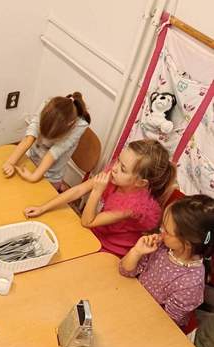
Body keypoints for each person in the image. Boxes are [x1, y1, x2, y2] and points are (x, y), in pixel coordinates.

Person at [24, 140, 175, 257]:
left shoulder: (133, 207)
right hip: (95, 232)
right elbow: (79, 190)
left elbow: (87, 222)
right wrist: (43, 208)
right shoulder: (116, 176)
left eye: (123, 169)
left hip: (110, 250)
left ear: (140, 183)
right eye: (118, 161)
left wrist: (97, 191)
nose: (114, 168)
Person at [119, 194, 214, 327]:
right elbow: (125, 271)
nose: (160, 231)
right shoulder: (162, 246)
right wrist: (136, 251)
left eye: (167, 231)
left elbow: (167, 325)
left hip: (148, 322)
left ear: (187, 243)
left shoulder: (191, 283)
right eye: (162, 226)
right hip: (133, 301)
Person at [3, 93, 91, 190]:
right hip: (30, 160)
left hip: (50, 176)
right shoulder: (47, 105)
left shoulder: (79, 126)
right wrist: (10, 163)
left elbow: (53, 153)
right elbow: (29, 137)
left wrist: (33, 177)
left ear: (70, 124)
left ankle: (60, 186)